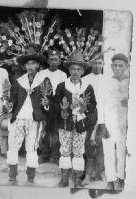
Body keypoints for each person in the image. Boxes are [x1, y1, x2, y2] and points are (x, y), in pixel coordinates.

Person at [5, 47, 52, 186]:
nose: (30, 66)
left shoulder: (44, 80)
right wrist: (9, 105)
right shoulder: (19, 80)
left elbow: (50, 98)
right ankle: (12, 176)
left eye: (33, 63)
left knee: (31, 148)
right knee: (13, 146)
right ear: (24, 66)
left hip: (34, 119)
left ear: (38, 65)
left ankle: (30, 177)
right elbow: (13, 98)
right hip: (19, 118)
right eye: (28, 64)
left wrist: (46, 103)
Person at [54, 51, 97, 188]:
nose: (76, 72)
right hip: (65, 123)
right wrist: (61, 110)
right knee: (65, 150)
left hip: (80, 124)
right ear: (69, 70)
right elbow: (55, 103)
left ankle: (78, 179)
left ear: (83, 71)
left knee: (78, 151)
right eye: (73, 69)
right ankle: (64, 179)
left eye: (79, 69)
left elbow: (93, 104)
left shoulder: (87, 87)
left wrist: (86, 108)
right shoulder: (62, 86)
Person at [97, 53, 130, 190]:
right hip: (109, 122)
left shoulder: (130, 82)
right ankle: (110, 180)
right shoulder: (105, 82)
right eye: (115, 65)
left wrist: (129, 102)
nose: (117, 68)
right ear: (111, 66)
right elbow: (100, 104)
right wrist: (102, 124)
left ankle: (121, 178)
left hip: (124, 124)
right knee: (109, 151)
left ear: (126, 66)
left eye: (120, 66)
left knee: (122, 152)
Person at [38, 49, 67, 165]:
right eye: (51, 60)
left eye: (56, 60)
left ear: (59, 61)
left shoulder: (63, 74)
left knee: (56, 131)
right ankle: (44, 154)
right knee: (45, 130)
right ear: (48, 61)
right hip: (45, 103)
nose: (53, 62)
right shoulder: (42, 73)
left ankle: (55, 155)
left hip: (57, 104)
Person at [81, 53, 106, 186]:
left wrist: (101, 116)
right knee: (89, 146)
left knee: (99, 146)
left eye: (99, 63)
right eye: (95, 63)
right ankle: (87, 175)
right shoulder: (84, 79)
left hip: (101, 117)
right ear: (91, 64)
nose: (97, 65)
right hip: (87, 116)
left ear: (103, 65)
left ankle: (100, 174)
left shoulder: (107, 80)